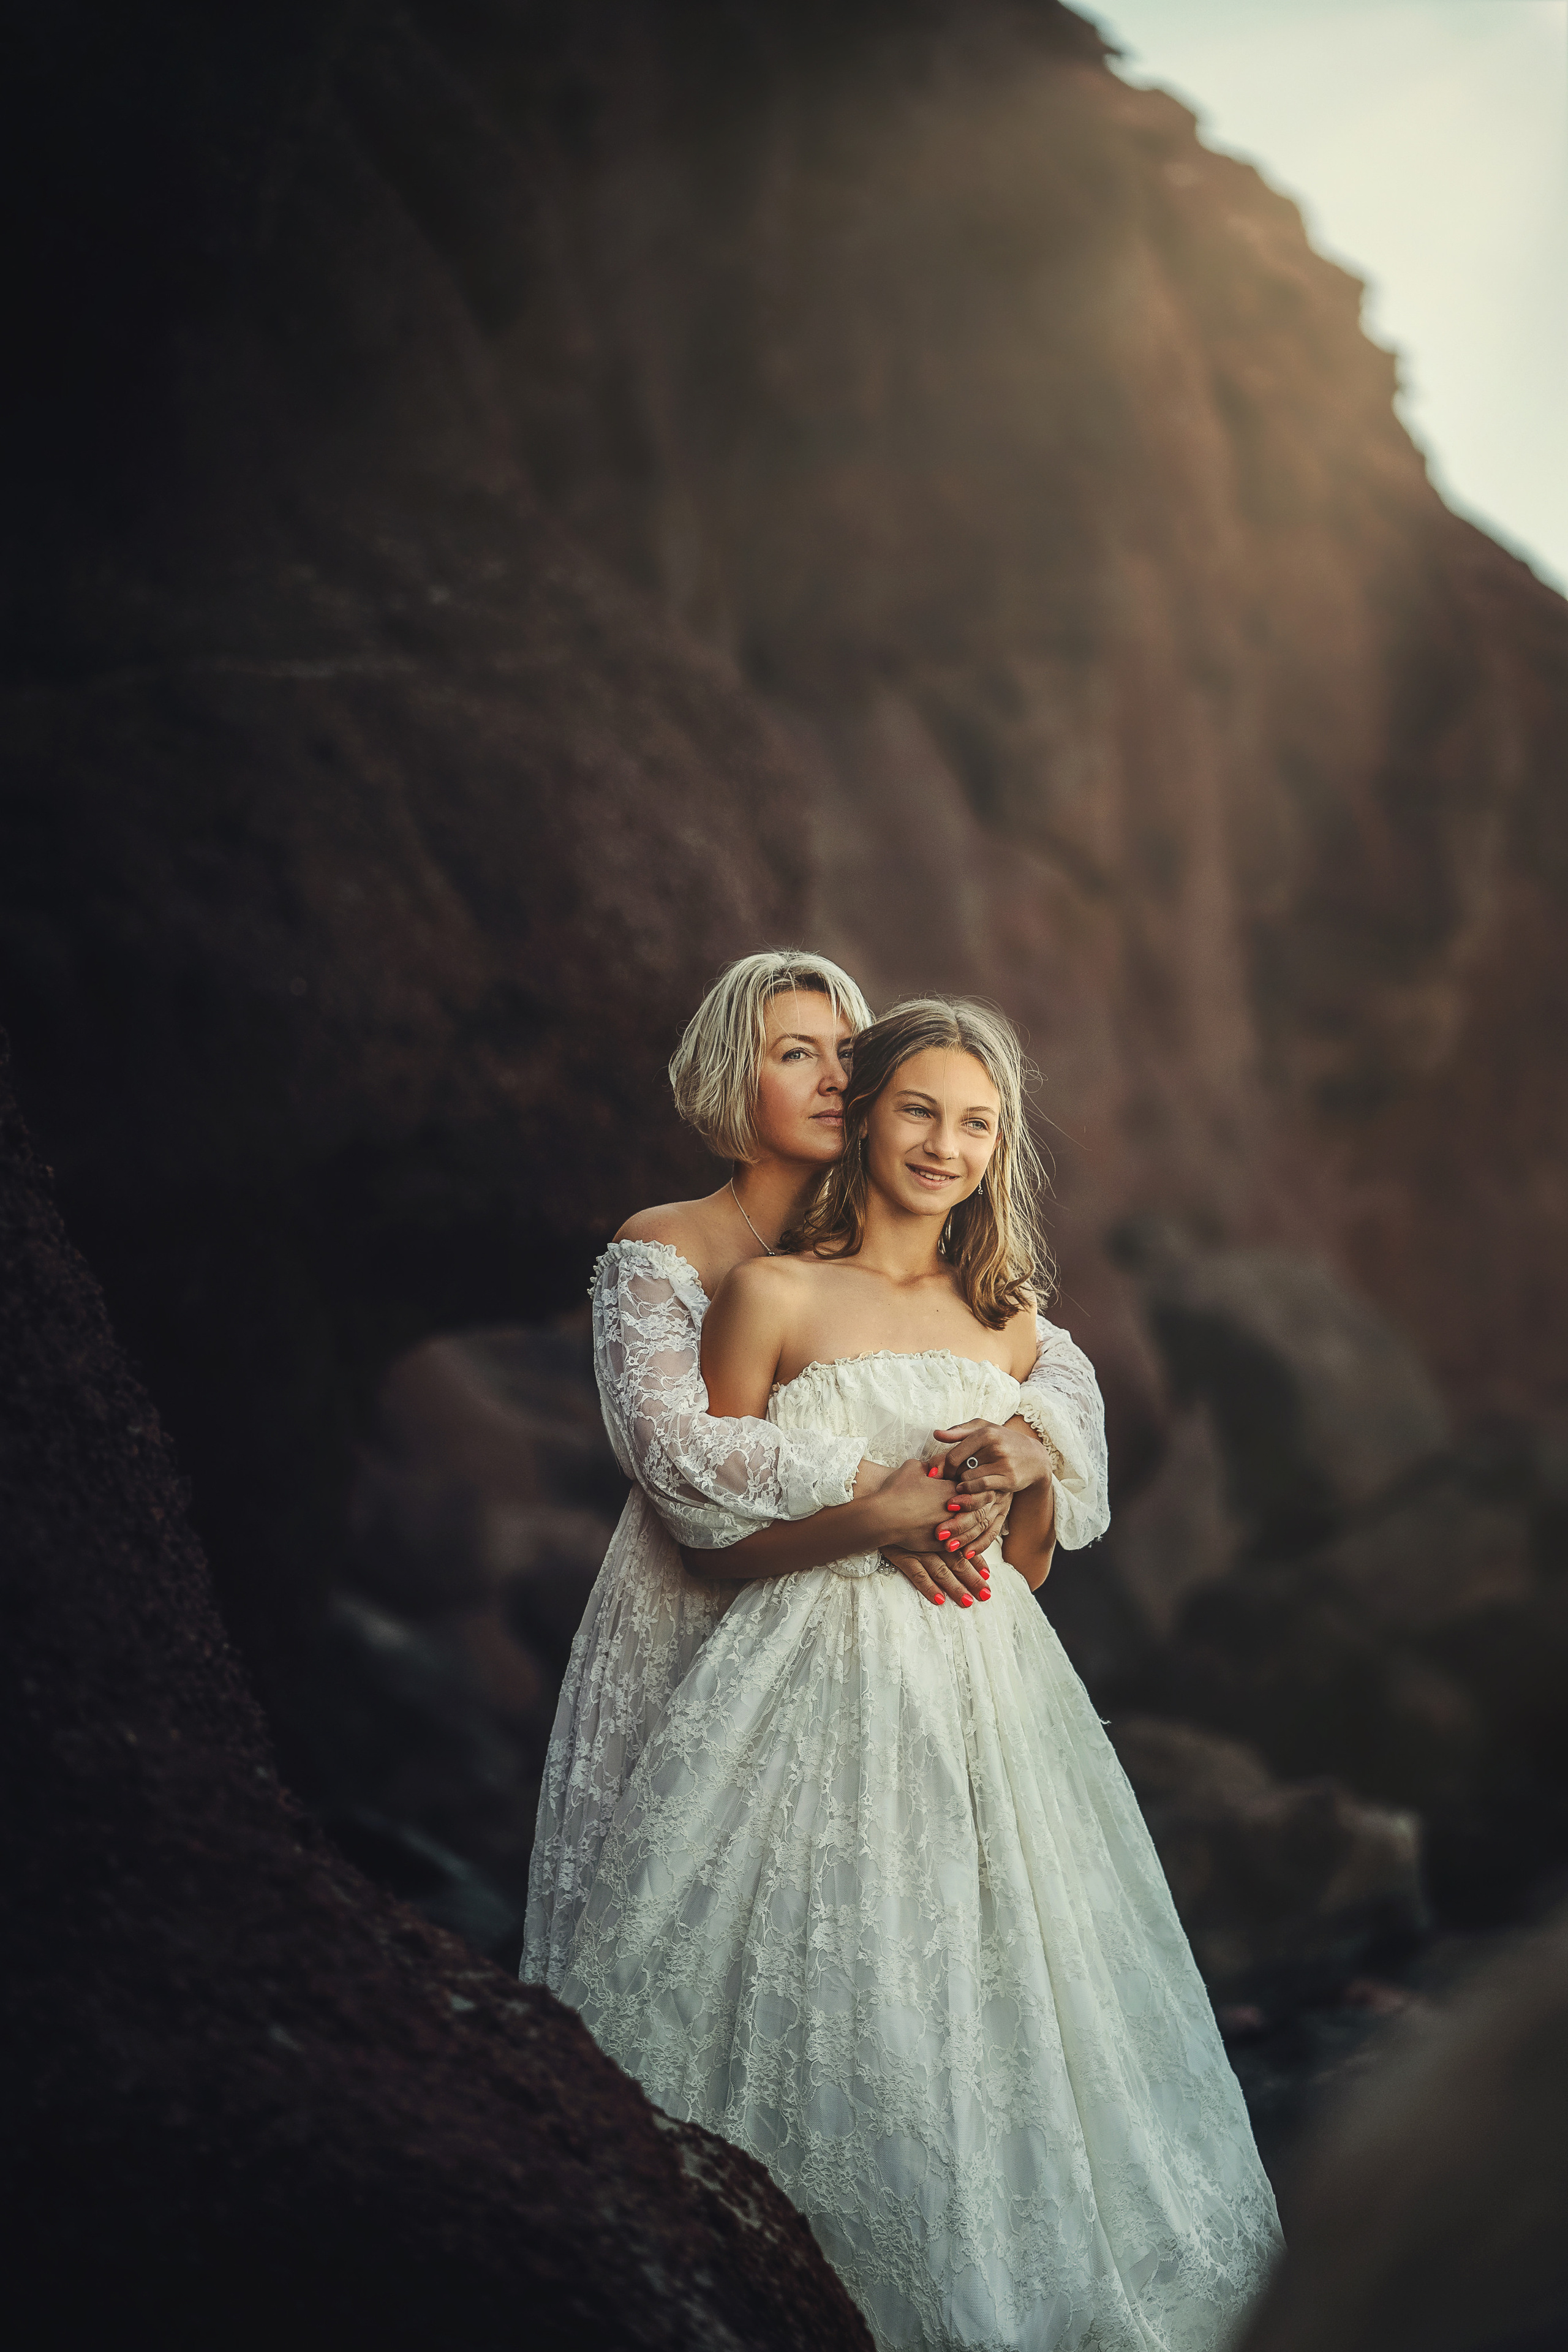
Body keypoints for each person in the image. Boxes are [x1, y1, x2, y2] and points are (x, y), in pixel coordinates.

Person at [550, 998, 1282, 2352]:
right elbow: (707, 1542)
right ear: (867, 1117)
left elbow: (1027, 1569)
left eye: (977, 1125)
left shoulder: (1008, 1327)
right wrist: (874, 1519)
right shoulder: (771, 1295)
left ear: (1002, 1148)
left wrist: (1023, 1464)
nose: (945, 1145)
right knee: (828, 1983)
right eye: (919, 1112)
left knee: (987, 1983)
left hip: (985, 1704)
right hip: (796, 1689)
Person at [522, 951, 1109, 1990]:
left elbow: (1045, 1368)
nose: (835, 1079)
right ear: (733, 1077)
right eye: (797, 1055)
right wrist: (886, 1494)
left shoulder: (944, 1266)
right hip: (714, 1594)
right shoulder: (674, 1250)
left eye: (849, 1053)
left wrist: (1033, 1441)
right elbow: (679, 1452)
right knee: (685, 1897)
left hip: (930, 1656)